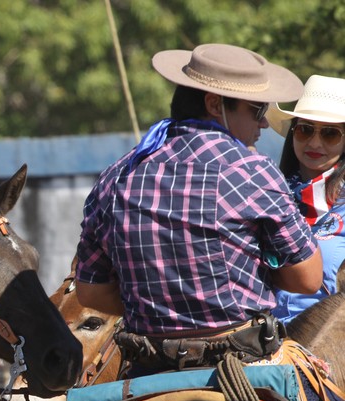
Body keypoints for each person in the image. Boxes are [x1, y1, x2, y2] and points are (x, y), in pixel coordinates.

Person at [74, 43, 323, 377]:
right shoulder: (252, 169)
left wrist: (158, 301)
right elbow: (308, 279)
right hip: (243, 365)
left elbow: (91, 291)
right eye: (257, 109)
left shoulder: (116, 175)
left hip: (146, 369)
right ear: (214, 104)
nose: (263, 123)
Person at [265, 75, 345, 321]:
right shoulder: (268, 196)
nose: (314, 142)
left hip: (326, 350)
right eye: (305, 129)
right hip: (262, 343)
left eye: (330, 134)